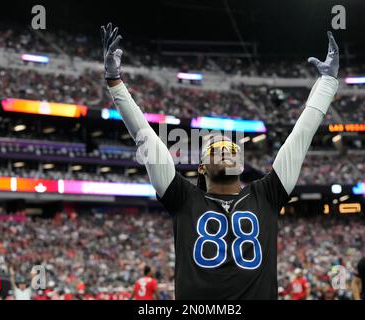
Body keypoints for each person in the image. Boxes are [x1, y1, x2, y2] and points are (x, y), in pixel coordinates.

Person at [101, 22, 339, 299]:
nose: (226, 150)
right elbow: (145, 137)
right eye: (215, 149)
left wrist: (327, 84)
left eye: (232, 148)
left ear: (240, 164)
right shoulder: (183, 197)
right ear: (201, 167)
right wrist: (114, 81)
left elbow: (301, 135)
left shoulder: (268, 193)